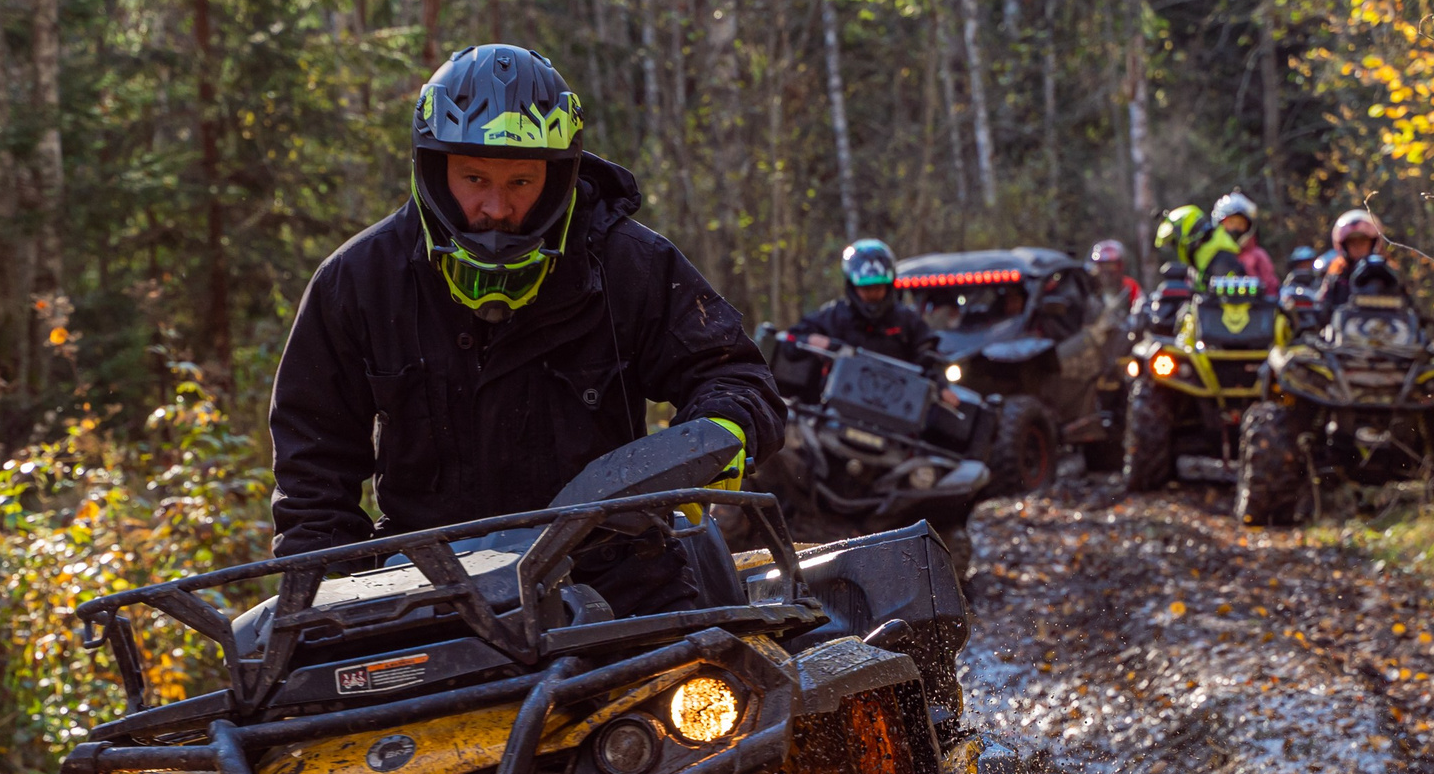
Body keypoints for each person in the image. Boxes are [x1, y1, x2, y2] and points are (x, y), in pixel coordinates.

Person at [266, 44, 784, 607]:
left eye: (520, 182)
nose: (494, 207)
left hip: (614, 582)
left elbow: (734, 375)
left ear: (559, 176)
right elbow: (312, 466)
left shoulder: (629, 263)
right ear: (434, 170)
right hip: (430, 596)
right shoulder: (359, 280)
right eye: (474, 178)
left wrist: (714, 436)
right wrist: (325, 606)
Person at [790, 238, 936, 365]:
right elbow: (791, 341)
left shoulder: (907, 320)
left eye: (878, 287)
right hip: (837, 392)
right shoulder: (834, 316)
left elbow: (930, 358)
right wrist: (813, 340)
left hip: (896, 392)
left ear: (888, 286)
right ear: (853, 287)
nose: (872, 293)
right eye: (866, 288)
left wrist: (941, 385)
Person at [1318, 209, 1396, 316]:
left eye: (1363, 241)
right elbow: (1323, 307)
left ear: (1373, 243)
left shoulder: (1387, 271)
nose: (1357, 246)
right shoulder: (1337, 274)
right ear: (1344, 245)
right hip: (1346, 330)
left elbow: (1408, 306)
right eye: (1352, 242)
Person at [1207, 191, 1278, 296]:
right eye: (1231, 223)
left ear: (1248, 227)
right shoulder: (1209, 253)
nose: (1235, 228)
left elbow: (1271, 287)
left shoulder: (1258, 255)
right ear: (1220, 224)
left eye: (1240, 224)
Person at [1088, 238, 1143, 313]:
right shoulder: (1089, 289)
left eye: (1111, 265)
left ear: (1120, 266)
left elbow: (1141, 306)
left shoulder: (1130, 286)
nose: (1106, 270)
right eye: (1102, 265)